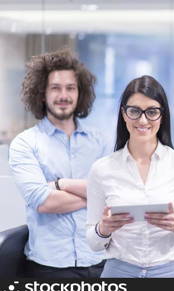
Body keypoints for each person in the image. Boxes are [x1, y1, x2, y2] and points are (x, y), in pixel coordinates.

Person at [86, 75, 174, 278]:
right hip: (118, 272)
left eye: (152, 112)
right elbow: (93, 242)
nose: (143, 120)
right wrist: (103, 229)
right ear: (124, 114)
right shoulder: (101, 169)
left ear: (162, 116)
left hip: (170, 272)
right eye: (134, 111)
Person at [8, 49, 107, 278]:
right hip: (49, 268)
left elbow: (113, 193)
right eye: (56, 88)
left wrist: (60, 184)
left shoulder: (100, 142)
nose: (64, 95)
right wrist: (93, 195)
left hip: (100, 261)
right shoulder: (26, 143)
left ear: (79, 93)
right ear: (41, 94)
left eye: (70, 88)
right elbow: (43, 201)